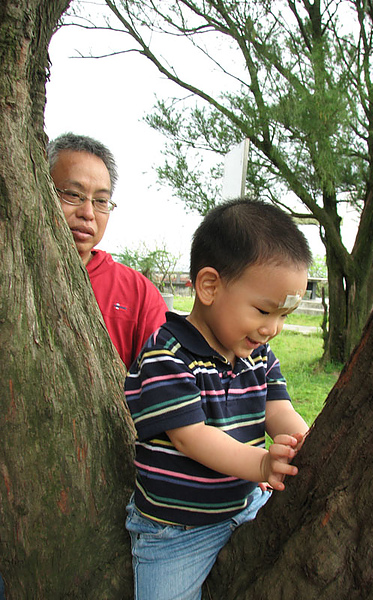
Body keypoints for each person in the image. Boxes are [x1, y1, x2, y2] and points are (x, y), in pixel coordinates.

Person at [124, 198, 313, 600]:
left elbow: (279, 410)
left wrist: (306, 441)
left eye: (283, 316)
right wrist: (262, 463)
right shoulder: (167, 353)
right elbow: (190, 437)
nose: (273, 328)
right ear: (209, 286)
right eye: (264, 310)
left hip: (245, 506)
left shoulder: (256, 355)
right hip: (176, 532)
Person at [47, 133, 167, 369]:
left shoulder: (138, 293)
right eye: (73, 195)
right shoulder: (16, 272)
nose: (88, 213)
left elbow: (164, 380)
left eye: (101, 201)